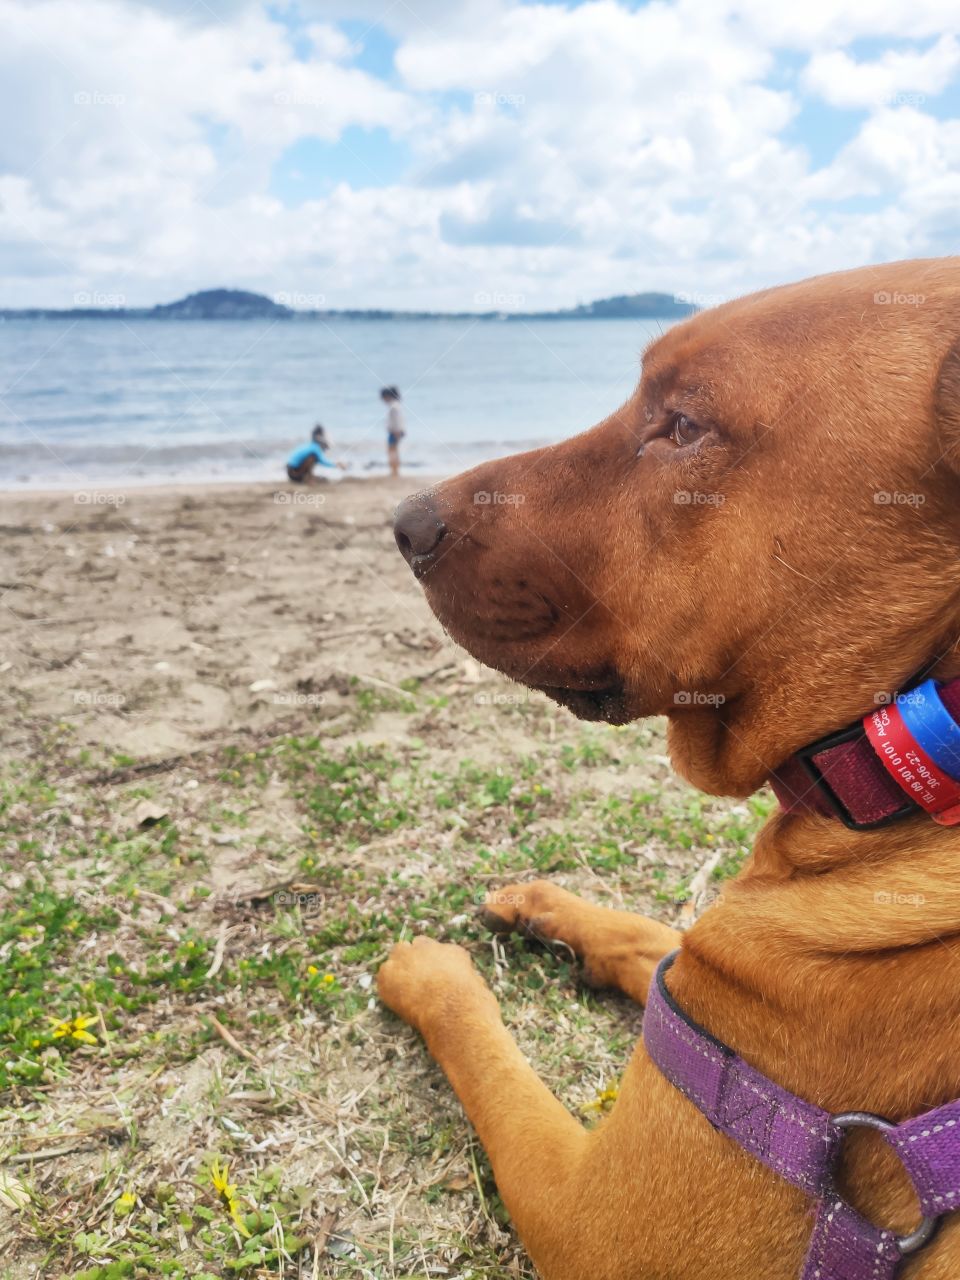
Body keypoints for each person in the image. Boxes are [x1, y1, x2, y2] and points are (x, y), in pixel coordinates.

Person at [381, 387, 405, 477]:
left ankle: (394, 471)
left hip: (395, 432)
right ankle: (395, 471)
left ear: (387, 396)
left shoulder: (394, 406)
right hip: (396, 431)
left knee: (392, 451)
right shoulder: (395, 405)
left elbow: (397, 420)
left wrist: (397, 431)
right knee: (393, 451)